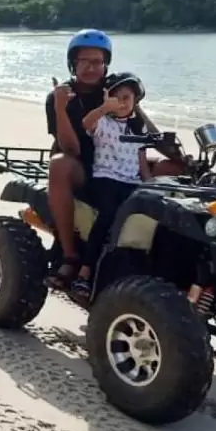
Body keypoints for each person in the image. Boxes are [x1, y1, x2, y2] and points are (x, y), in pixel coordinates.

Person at [68, 72, 151, 306]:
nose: (124, 102)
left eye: (128, 97)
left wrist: (153, 186)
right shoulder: (102, 122)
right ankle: (84, 274)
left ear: (136, 100)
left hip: (131, 182)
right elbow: (85, 124)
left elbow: (142, 163)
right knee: (109, 215)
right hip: (105, 178)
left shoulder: (138, 128)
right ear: (108, 98)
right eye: (118, 97)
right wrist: (104, 108)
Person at [44, 29, 114, 289]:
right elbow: (71, 148)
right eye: (84, 62)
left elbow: (140, 132)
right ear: (73, 64)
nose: (91, 68)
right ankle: (70, 254)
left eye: (97, 62)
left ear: (106, 64)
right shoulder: (60, 96)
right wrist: (60, 108)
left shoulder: (114, 91)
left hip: (112, 162)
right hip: (81, 166)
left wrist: (176, 154)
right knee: (60, 164)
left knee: (169, 169)